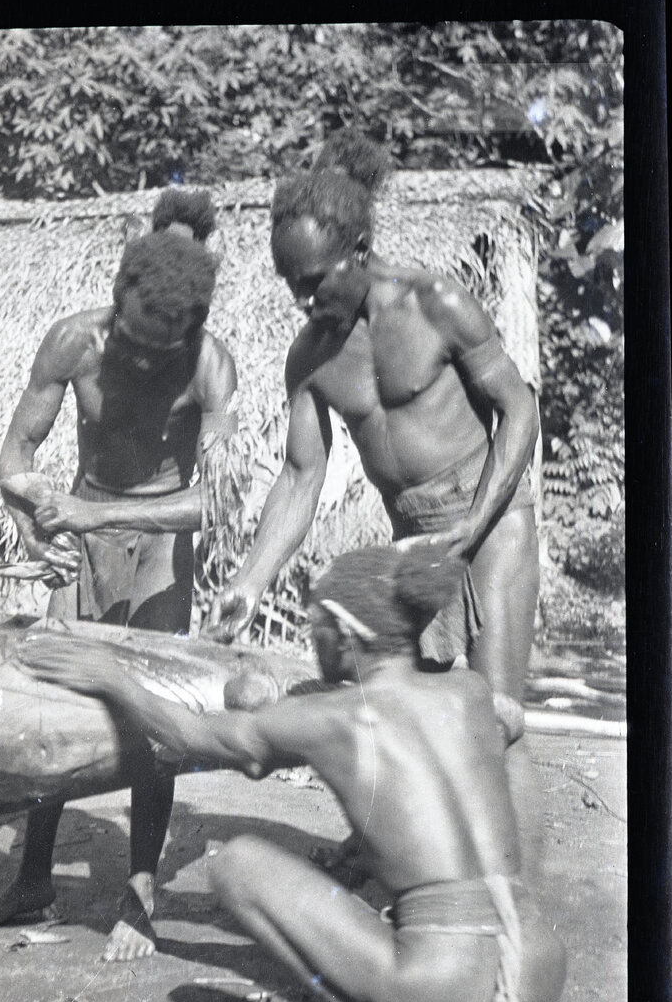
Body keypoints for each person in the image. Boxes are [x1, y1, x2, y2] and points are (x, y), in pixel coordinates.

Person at [21, 543, 566, 1002]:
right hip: (536, 976)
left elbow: (192, 737)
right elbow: (489, 745)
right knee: (509, 744)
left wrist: (109, 676)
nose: (311, 639)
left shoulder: (333, 716)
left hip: (445, 992)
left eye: (316, 626)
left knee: (238, 865)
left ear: (346, 633)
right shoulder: (469, 690)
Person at [0, 192, 240, 961]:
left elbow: (212, 505)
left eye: (165, 349)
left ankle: (141, 888)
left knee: (153, 718)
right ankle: (30, 878)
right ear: (118, 302)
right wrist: (34, 523)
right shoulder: (71, 343)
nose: (147, 360)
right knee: (52, 705)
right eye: (136, 343)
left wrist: (100, 523)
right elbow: (14, 463)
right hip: (80, 528)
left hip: (155, 545)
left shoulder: (212, 368)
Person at [206, 128, 541, 746]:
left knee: (494, 725)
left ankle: (495, 843)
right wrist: (250, 581)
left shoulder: (436, 303)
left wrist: (471, 526)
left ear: (359, 252)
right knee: (403, 720)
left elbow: (519, 408)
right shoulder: (310, 357)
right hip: (413, 538)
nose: (302, 299)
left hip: (491, 525)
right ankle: (389, 845)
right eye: (290, 284)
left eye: (313, 280)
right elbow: (301, 475)